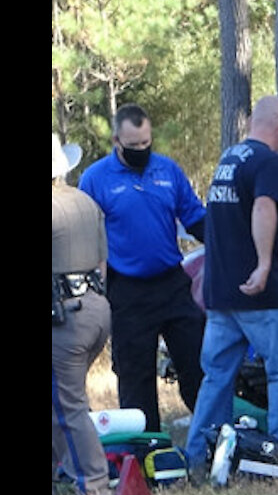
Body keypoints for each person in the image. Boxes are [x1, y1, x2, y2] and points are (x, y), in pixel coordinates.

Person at [185, 96, 278, 468]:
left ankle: (200, 454)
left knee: (217, 375)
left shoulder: (230, 159)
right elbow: (263, 208)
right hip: (257, 293)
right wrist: (263, 264)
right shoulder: (268, 162)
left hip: (221, 290)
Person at [78, 104, 207, 433]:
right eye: (133, 145)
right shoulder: (95, 179)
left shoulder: (167, 170)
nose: (141, 151)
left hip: (172, 283)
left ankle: (211, 435)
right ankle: (146, 447)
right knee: (136, 374)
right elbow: (85, 236)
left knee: (196, 361)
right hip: (128, 290)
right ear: (116, 139)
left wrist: (229, 244)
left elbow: (195, 217)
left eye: (146, 144)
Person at [52, 134, 113, 495]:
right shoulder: (87, 203)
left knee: (67, 403)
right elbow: (103, 265)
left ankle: (93, 487)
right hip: (96, 310)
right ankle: (70, 469)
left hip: (65, 318)